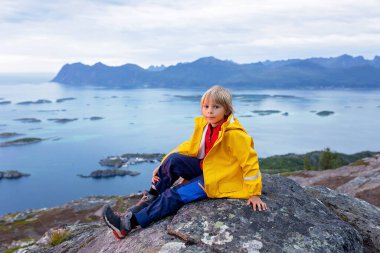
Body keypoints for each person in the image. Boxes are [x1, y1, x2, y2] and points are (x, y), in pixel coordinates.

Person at [103, 85, 267, 239]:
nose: (209, 111)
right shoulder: (206, 126)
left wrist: (254, 194)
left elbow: (250, 163)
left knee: (173, 195)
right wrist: (163, 163)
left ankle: (127, 225)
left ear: (226, 110)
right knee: (173, 160)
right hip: (207, 169)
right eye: (206, 107)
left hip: (218, 179)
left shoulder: (234, 134)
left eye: (216, 107)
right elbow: (189, 146)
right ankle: (151, 198)